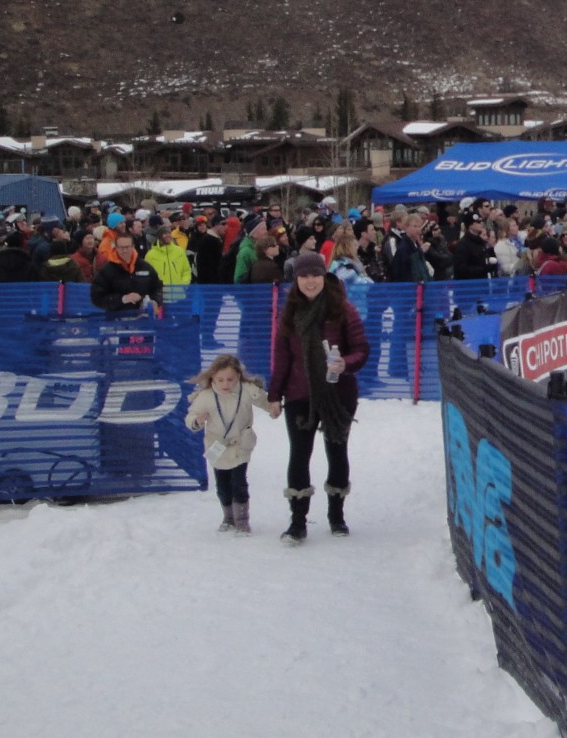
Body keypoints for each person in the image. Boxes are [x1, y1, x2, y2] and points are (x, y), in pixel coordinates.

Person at [267, 255, 368, 543]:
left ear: (324, 277)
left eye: (315, 275)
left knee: (337, 451)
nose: (310, 281)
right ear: (296, 280)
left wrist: (345, 363)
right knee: (299, 454)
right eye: (304, 276)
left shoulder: (343, 309)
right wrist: (274, 395)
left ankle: (337, 515)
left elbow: (362, 349)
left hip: (338, 395)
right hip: (299, 394)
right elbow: (282, 358)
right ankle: (297, 521)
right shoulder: (290, 312)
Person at [185, 354, 277, 534]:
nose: (225, 384)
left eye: (230, 379)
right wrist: (197, 420)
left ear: (238, 377)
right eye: (220, 380)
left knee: (239, 482)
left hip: (241, 444)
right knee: (223, 485)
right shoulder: (205, 396)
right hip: (217, 445)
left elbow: (265, 402)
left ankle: (241, 520)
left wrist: (273, 408)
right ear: (213, 378)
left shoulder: (247, 390)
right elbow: (191, 416)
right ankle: (228, 517)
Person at [90, 232, 163, 314]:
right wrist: (122, 299)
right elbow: (97, 297)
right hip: (116, 316)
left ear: (133, 247)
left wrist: (155, 301)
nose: (124, 251)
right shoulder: (107, 270)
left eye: (127, 247)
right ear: (116, 248)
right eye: (121, 248)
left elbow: (158, 288)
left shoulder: (145, 266)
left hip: (143, 315)